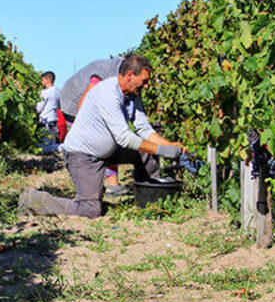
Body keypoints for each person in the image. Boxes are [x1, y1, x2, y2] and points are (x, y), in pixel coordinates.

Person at [18, 55, 183, 219]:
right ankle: (34, 200)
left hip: (108, 152)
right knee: (90, 209)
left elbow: (143, 127)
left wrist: (169, 146)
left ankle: (149, 197)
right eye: (144, 81)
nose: (147, 86)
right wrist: (162, 150)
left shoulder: (133, 94)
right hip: (83, 157)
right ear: (130, 75)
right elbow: (124, 137)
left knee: (146, 151)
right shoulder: (108, 93)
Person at [59, 56, 126, 196]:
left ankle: (98, 185)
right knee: (96, 141)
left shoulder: (118, 70)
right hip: (73, 102)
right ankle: (107, 185)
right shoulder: (105, 72)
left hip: (80, 101)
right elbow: (82, 105)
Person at [35, 71, 60, 145]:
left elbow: (39, 108)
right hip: (54, 119)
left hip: (45, 120)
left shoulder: (45, 92)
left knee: (43, 145)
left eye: (42, 80)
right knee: (52, 143)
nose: (41, 82)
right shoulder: (57, 92)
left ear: (47, 80)